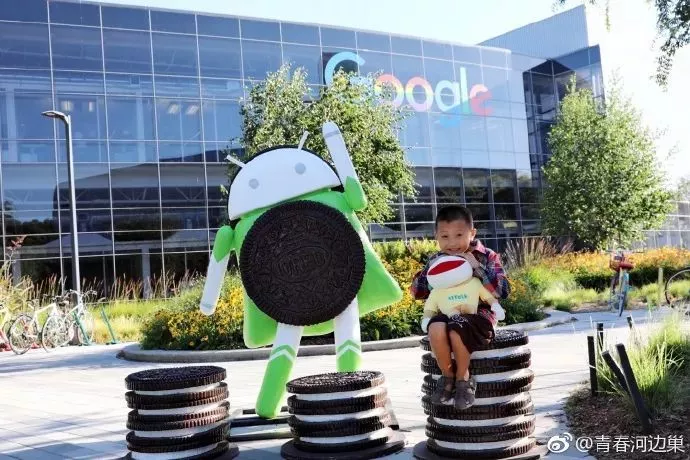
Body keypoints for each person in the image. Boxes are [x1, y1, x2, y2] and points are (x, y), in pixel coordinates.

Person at [410, 205, 510, 409]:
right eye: (445, 237)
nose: (452, 243)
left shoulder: (486, 256)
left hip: (478, 313)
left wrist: (476, 267)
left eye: (459, 235)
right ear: (436, 236)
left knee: (456, 329)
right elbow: (417, 293)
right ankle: (448, 377)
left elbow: (502, 291)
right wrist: (432, 271)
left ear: (472, 233)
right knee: (435, 328)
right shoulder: (436, 259)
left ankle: (464, 378)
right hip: (447, 311)